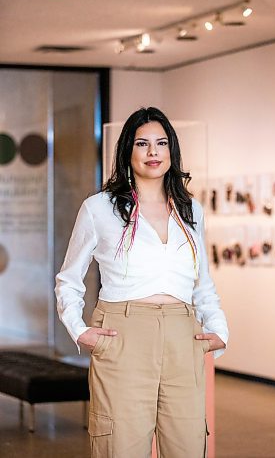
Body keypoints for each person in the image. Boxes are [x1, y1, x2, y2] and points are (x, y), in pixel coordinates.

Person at [54, 106, 229, 458]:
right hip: (124, 335)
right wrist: (78, 329)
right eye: (143, 143)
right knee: (121, 445)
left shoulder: (191, 209)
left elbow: (202, 280)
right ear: (127, 151)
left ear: (171, 151)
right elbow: (68, 280)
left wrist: (220, 329)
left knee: (188, 445)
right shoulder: (98, 208)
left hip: (184, 334)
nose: (153, 152)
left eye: (161, 143)